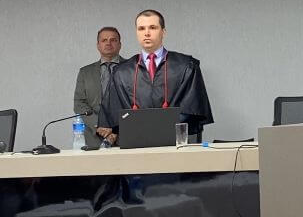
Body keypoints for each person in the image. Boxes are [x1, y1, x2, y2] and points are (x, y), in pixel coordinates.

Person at [99, 9, 213, 143]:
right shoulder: (121, 72)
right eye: (141, 28)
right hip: (136, 142)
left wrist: (158, 127)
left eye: (153, 27)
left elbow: (192, 109)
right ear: (137, 33)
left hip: (175, 143)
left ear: (163, 32)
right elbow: (114, 113)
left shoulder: (185, 66)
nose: (146, 33)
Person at [73, 27, 125, 147]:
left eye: (113, 40)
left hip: (125, 136)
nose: (108, 43)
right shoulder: (85, 72)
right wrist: (99, 125)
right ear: (98, 45)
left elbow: (138, 103)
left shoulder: (133, 68)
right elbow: (79, 104)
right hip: (95, 139)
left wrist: (116, 129)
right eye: (104, 40)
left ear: (120, 44)